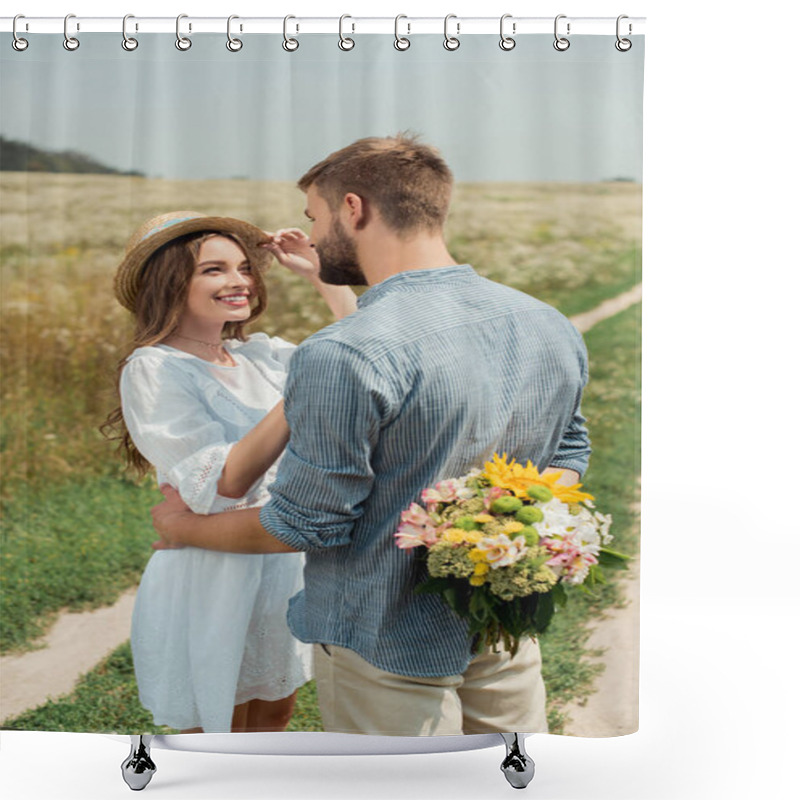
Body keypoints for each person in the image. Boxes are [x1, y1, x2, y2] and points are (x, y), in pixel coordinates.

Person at [151, 135, 592, 736]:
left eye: (315, 216)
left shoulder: (346, 353)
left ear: (352, 209)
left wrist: (185, 527)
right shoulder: (546, 321)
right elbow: (568, 455)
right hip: (503, 629)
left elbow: (307, 524)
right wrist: (502, 532)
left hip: (382, 640)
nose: (312, 232)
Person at [104, 211, 356, 733]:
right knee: (211, 730)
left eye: (243, 267)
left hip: (280, 560)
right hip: (211, 571)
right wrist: (306, 388)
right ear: (170, 282)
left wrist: (319, 274)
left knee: (274, 713)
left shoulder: (259, 357)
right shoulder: (154, 368)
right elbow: (224, 481)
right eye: (213, 270)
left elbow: (358, 353)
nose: (239, 281)